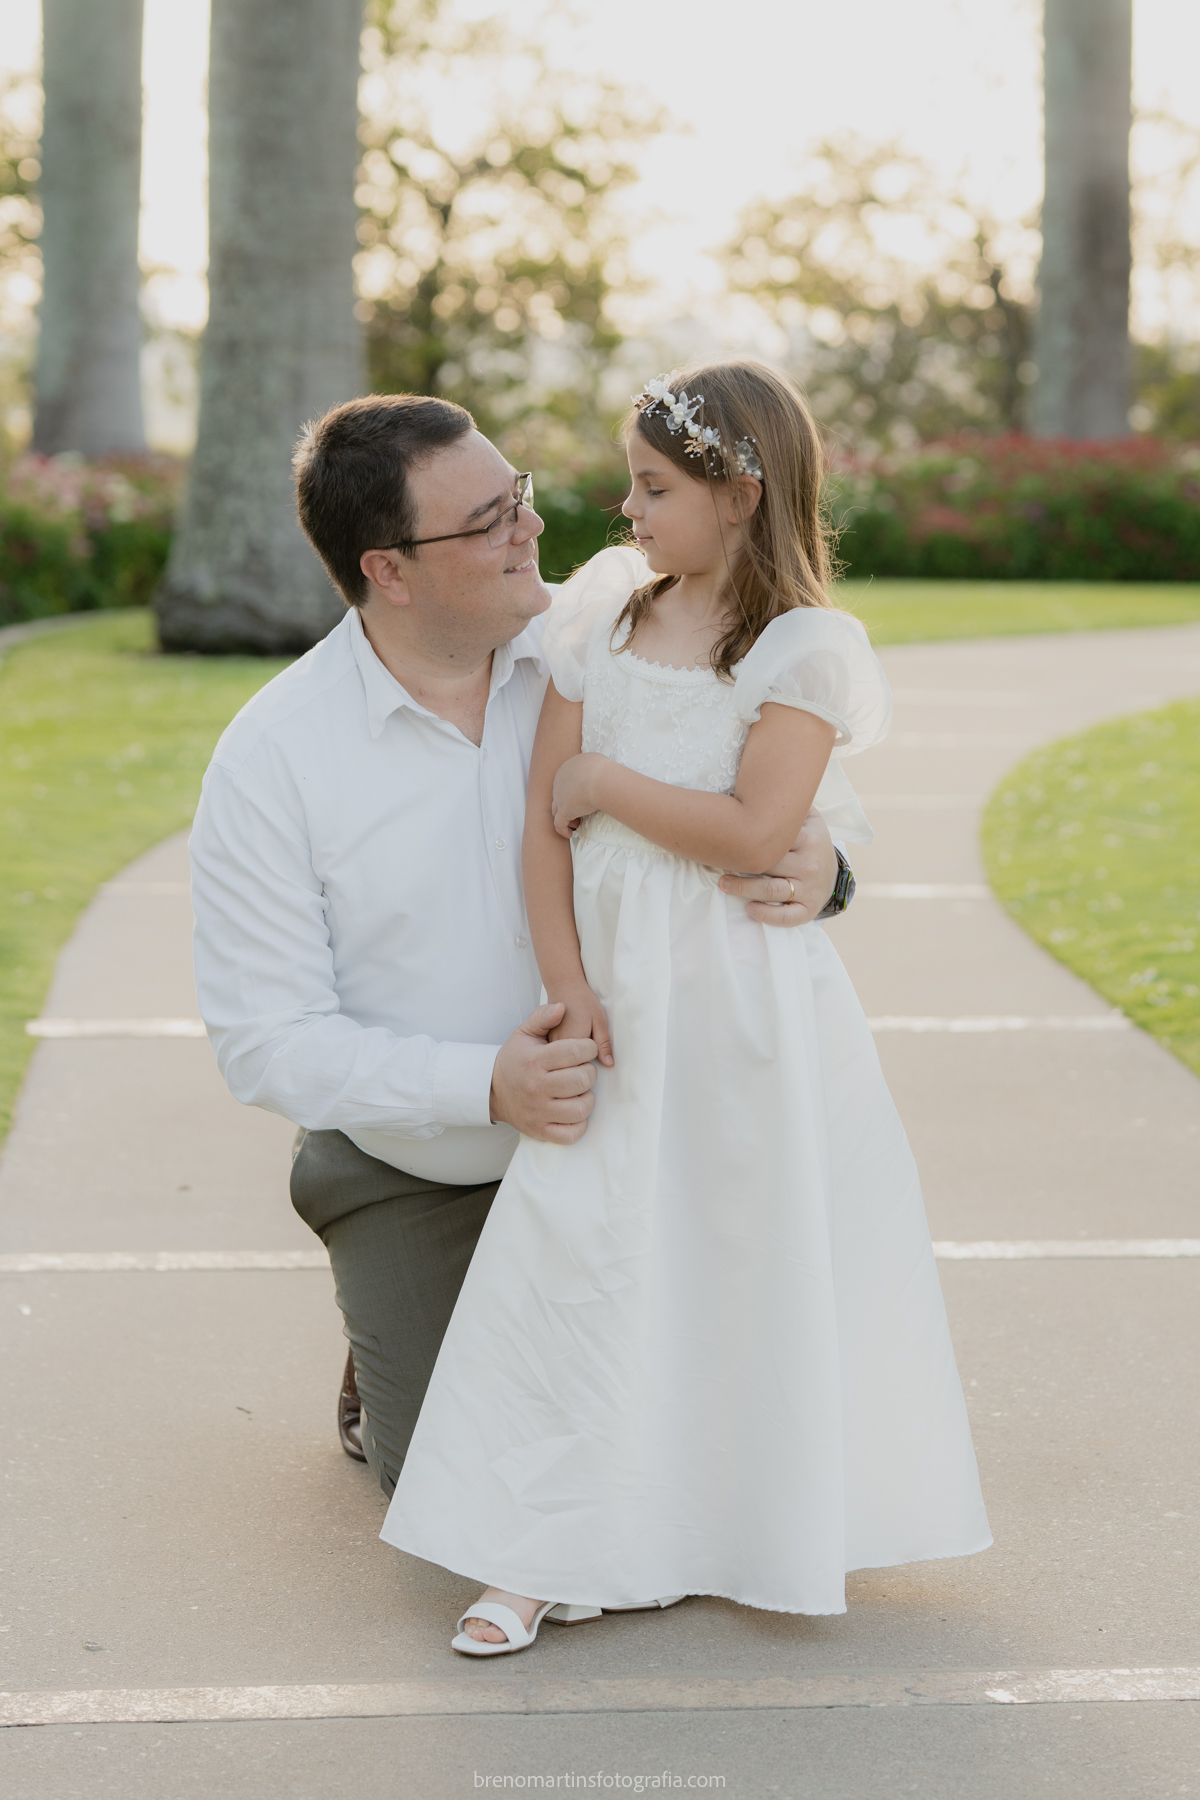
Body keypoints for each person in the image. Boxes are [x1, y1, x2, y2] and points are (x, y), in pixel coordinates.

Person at [379, 362, 991, 1655]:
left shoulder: (803, 647)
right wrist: (569, 987)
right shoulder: (603, 615)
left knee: (731, 1252)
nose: (627, 505)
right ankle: (536, 1549)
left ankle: (731, 1523)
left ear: (740, 491)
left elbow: (755, 829)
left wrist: (607, 777)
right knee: (579, 1251)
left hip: (746, 1008)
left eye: (656, 487)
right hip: (618, 996)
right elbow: (544, 831)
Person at [189, 392, 848, 1503]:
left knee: (710, 1456)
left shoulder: (604, 642)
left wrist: (829, 873)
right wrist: (485, 1085)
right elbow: (265, 1043)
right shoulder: (274, 758)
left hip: (653, 1131)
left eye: (521, 498)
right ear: (389, 571)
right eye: (489, 520)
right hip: (427, 1171)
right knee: (476, 1495)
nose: (533, 531)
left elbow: (775, 789)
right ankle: (398, 1316)